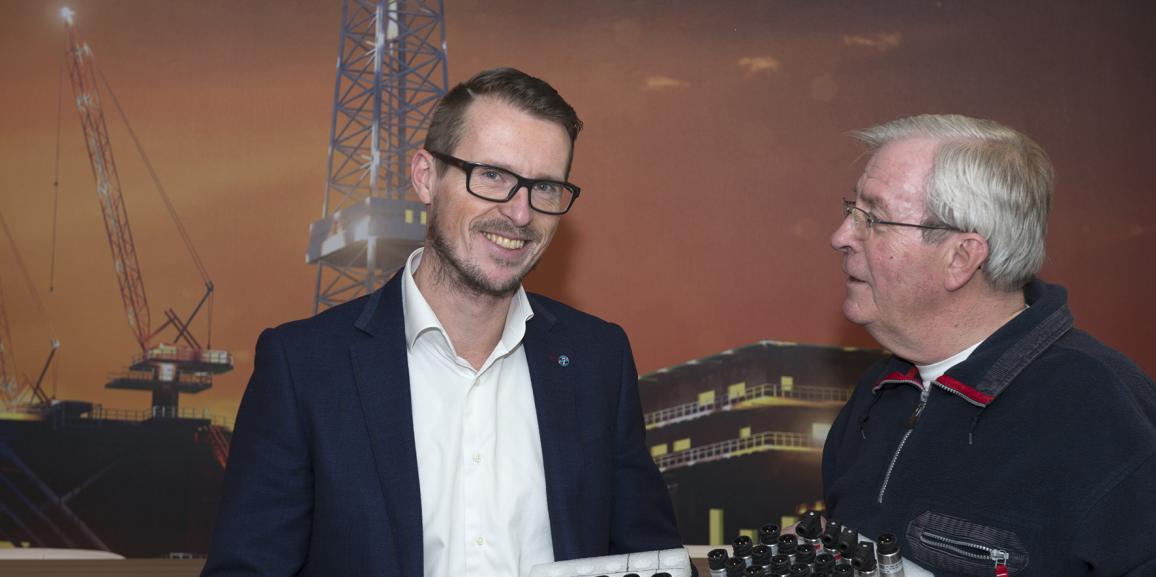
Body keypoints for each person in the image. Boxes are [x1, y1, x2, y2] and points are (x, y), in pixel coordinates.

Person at [202, 68, 683, 577]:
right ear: (425, 176)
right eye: (492, 176)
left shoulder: (598, 361)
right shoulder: (304, 368)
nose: (520, 213)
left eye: (544, 186)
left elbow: (652, 561)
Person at [822, 114, 1156, 576]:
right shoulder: (881, 391)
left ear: (961, 258)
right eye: (851, 211)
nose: (841, 237)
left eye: (873, 219)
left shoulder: (1100, 411)